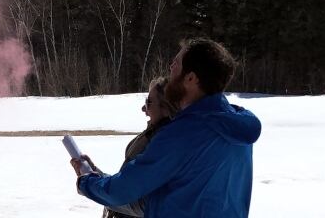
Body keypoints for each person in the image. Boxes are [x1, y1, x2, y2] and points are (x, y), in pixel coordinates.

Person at [71, 38, 261, 218]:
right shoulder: (237, 127)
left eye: (176, 63)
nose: (170, 68)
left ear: (191, 78)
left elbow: (124, 190)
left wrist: (87, 181)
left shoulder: (183, 134)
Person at [97, 77, 179, 218]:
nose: (143, 108)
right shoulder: (153, 132)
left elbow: (141, 200)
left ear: (165, 108)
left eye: (149, 102)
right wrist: (97, 175)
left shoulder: (162, 143)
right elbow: (128, 180)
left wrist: (96, 188)